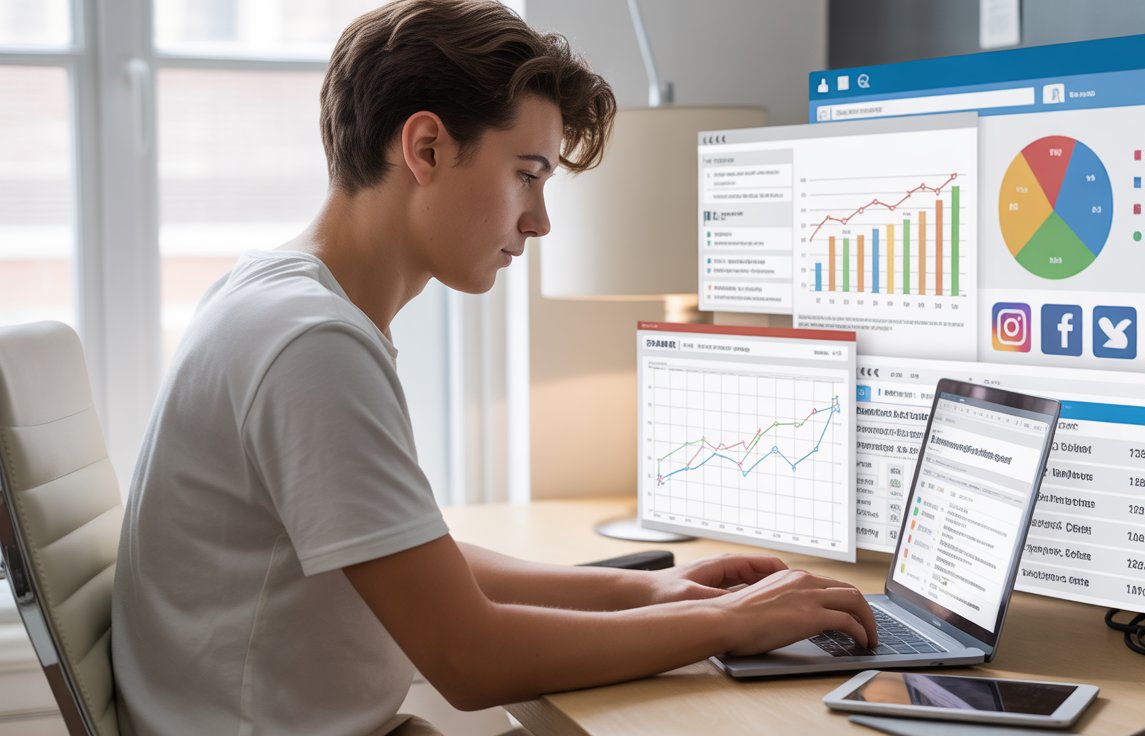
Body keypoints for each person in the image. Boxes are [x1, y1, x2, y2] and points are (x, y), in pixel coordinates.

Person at [111, 1, 877, 734]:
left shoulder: (274, 295)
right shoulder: (312, 345)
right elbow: (470, 660)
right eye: (528, 173)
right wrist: (725, 623)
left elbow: (415, 559)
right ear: (427, 148)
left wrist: (646, 590)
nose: (539, 220)